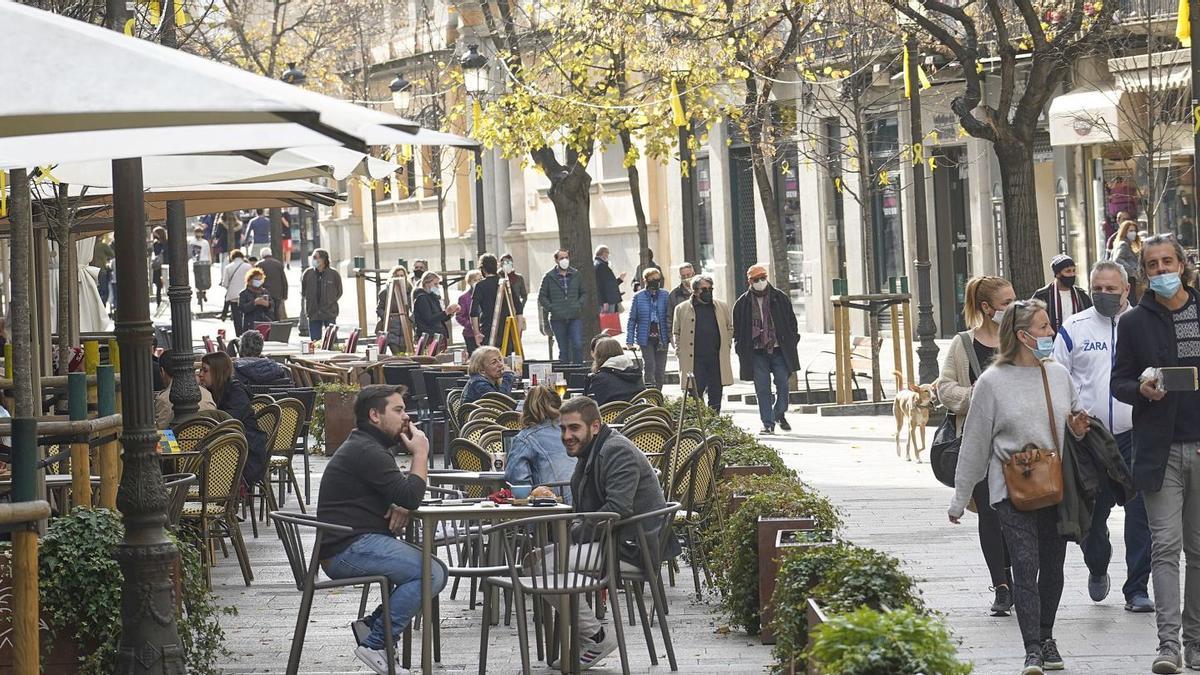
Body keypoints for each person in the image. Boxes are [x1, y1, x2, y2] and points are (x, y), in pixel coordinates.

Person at [949, 299, 1090, 674]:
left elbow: (1074, 419)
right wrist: (960, 498)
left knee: (1053, 567)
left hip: (1055, 484)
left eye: (1050, 326)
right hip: (1010, 489)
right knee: (1025, 567)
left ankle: (1047, 636)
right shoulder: (992, 382)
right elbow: (975, 443)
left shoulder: (1058, 374)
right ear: (1023, 335)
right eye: (1044, 328)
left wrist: (1078, 427)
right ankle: (1032, 648)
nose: (1051, 333)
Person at [1112, 234, 1200, 673]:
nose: (1162, 271)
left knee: (1199, 550)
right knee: (1166, 547)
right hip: (1158, 452)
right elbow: (1119, 382)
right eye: (1153, 265)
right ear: (1143, 273)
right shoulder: (1133, 323)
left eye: (1169, 262)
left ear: (1183, 265)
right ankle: (1168, 645)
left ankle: (1196, 641)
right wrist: (1141, 390)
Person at [316, 384, 447, 674]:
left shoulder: (368, 446)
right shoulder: (367, 450)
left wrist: (401, 503)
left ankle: (373, 626)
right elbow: (411, 495)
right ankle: (377, 643)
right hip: (346, 549)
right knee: (430, 573)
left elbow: (403, 494)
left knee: (435, 571)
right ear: (375, 415)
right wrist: (422, 453)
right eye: (398, 410)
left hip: (353, 543)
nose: (406, 417)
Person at [1053, 261, 1153, 614]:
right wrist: (1069, 420)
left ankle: (1137, 588)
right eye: (1098, 288)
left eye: (1112, 288)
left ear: (1127, 289)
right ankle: (1098, 564)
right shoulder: (1073, 329)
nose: (1104, 294)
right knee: (1093, 519)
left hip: (1136, 434)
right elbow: (1056, 378)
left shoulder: (1143, 325)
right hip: (1092, 439)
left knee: (1141, 513)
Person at [547, 395, 674, 668]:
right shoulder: (593, 449)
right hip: (613, 540)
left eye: (574, 428)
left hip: (630, 546)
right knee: (535, 561)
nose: (567, 435)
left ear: (595, 426)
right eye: (563, 429)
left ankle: (596, 636)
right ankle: (591, 635)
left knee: (547, 566)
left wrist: (572, 533)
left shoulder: (616, 450)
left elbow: (617, 508)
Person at [933, 275, 1017, 617]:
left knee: (1019, 512)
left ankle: (1018, 574)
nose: (1013, 307)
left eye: (1014, 300)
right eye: (1006, 303)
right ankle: (1002, 586)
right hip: (978, 442)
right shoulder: (963, 344)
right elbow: (944, 387)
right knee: (990, 513)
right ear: (987, 308)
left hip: (1018, 444)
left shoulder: (1022, 338)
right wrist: (977, 398)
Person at [733, 264, 800, 434]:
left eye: (763, 278)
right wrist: (741, 348)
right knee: (762, 388)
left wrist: (792, 340)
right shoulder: (742, 303)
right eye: (757, 280)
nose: (761, 282)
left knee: (783, 384)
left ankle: (778, 412)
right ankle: (768, 423)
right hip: (756, 352)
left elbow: (792, 322)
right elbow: (738, 331)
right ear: (750, 281)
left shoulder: (780, 297)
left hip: (779, 350)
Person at [199, 351, 269, 486]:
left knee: (179, 455)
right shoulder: (211, 392)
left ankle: (182, 487)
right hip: (224, 448)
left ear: (217, 372)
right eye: (200, 370)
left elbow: (228, 421)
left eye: (205, 370)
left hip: (245, 453)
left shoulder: (236, 391)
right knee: (173, 451)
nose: (200, 374)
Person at [504, 385, 576, 503]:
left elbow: (518, 483)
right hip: (589, 508)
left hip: (553, 511)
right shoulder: (575, 432)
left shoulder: (525, 439)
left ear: (526, 409)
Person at [673, 275, 733, 411]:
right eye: (703, 289)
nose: (707, 292)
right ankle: (699, 424)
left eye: (710, 288)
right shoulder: (681, 309)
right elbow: (676, 332)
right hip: (694, 360)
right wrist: (679, 351)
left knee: (716, 394)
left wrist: (727, 344)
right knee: (695, 393)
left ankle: (714, 422)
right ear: (694, 291)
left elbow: (730, 327)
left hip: (716, 358)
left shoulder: (722, 306)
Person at [538, 249, 585, 364]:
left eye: (566, 257)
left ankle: (579, 370)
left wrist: (578, 305)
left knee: (577, 345)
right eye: (561, 258)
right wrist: (552, 308)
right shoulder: (549, 277)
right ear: (556, 260)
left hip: (574, 316)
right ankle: (565, 373)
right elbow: (542, 296)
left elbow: (583, 292)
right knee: (563, 349)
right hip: (557, 318)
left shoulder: (576, 274)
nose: (565, 260)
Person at [626, 267, 670, 389]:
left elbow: (670, 317)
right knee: (650, 366)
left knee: (660, 370)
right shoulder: (638, 297)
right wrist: (629, 340)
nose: (656, 282)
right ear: (645, 280)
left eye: (658, 279)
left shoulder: (665, 295)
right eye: (652, 280)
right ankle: (649, 393)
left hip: (662, 337)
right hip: (645, 337)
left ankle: (658, 394)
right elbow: (632, 319)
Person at [154, 350, 216, 428]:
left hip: (180, 439)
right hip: (212, 439)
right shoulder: (207, 394)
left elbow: (162, 433)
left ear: (162, 371)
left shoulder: (164, 399)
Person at [1032, 254, 1092, 333]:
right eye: (1068, 271)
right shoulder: (1043, 295)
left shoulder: (1081, 295)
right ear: (1057, 274)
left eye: (1074, 270)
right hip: (1051, 341)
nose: (1072, 274)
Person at [583, 337, 643, 405]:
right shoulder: (637, 375)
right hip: (641, 414)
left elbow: (590, 408)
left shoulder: (600, 380)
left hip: (612, 415)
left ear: (598, 356)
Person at [301, 248, 342, 342]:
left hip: (329, 312)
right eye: (313, 257)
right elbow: (304, 291)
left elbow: (339, 292)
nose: (314, 260)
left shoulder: (333, 274)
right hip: (313, 312)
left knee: (332, 340)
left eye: (316, 257)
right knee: (315, 341)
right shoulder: (308, 273)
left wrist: (330, 301)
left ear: (323, 260)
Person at [412, 271, 459, 349]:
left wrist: (450, 312)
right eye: (435, 284)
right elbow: (429, 319)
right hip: (430, 335)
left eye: (438, 284)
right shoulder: (422, 298)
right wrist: (446, 312)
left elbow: (441, 318)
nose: (437, 287)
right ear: (427, 283)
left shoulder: (434, 297)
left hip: (439, 334)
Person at [470, 254, 507, 348]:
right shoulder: (505, 283)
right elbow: (518, 309)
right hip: (507, 328)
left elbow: (473, 312)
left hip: (488, 328)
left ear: (483, 269)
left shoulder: (480, 286)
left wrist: (477, 333)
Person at [1111, 219, 1143, 305]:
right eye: (1131, 231)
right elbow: (1117, 260)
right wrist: (1132, 271)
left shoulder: (1126, 244)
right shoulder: (1123, 244)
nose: (1134, 233)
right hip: (1127, 278)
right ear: (1125, 231)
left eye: (1135, 231)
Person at [220, 249, 253, 332]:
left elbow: (225, 283)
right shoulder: (248, 266)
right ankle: (246, 331)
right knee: (247, 314)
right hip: (246, 295)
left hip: (233, 296)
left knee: (236, 317)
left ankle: (239, 334)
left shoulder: (228, 267)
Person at [255, 247, 288, 320]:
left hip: (264, 292)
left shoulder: (259, 265)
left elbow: (257, 280)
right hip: (277, 293)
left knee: (266, 312)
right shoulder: (278, 264)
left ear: (262, 255)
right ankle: (276, 326)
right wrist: (285, 295)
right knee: (276, 312)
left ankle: (269, 327)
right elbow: (284, 280)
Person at [500, 253, 528, 336]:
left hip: (516, 312)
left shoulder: (519, 278)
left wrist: (520, 307)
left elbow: (524, 296)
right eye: (504, 262)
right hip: (502, 311)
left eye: (509, 262)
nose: (507, 264)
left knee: (516, 336)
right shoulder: (498, 277)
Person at [456, 270, 483, 353]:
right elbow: (459, 316)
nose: (477, 282)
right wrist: (470, 324)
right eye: (475, 280)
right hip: (470, 334)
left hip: (484, 331)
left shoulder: (485, 294)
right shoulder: (464, 297)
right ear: (469, 282)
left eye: (479, 280)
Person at [594, 245, 625, 313]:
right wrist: (604, 301)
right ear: (603, 253)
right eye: (607, 253)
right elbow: (601, 285)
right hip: (608, 301)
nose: (608, 255)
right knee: (608, 321)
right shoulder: (601, 266)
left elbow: (609, 284)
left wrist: (620, 279)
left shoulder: (601, 265)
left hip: (609, 300)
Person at [91, 233, 115, 306]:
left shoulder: (91, 246)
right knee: (104, 291)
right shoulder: (103, 246)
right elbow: (112, 254)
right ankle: (102, 306)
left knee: (95, 290)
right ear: (101, 237)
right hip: (101, 270)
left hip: (91, 271)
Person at [151, 226, 168, 307]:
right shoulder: (156, 243)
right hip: (159, 266)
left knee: (163, 283)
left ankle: (160, 301)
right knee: (158, 285)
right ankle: (159, 301)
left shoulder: (164, 243)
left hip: (163, 265)